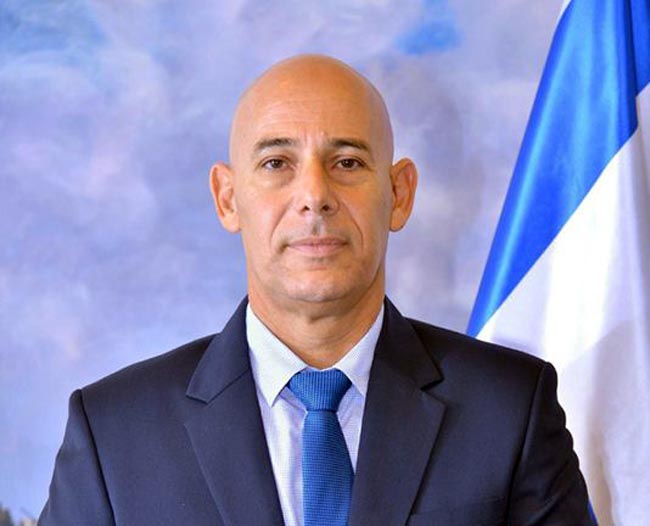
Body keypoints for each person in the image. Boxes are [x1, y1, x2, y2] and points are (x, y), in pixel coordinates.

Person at [40, 55, 595, 526]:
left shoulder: (509, 411)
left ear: (399, 194)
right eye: (276, 163)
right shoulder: (113, 434)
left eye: (347, 162)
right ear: (228, 198)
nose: (314, 195)